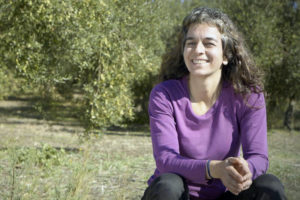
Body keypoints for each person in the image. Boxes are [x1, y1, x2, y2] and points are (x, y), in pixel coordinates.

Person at [142, 7, 286, 200]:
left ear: (226, 55)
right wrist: (215, 169)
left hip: (224, 195)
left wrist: (247, 170)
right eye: (190, 43)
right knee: (169, 184)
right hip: (176, 194)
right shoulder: (164, 94)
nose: (198, 50)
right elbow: (166, 160)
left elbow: (259, 157)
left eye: (208, 43)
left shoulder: (248, 96)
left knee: (269, 185)